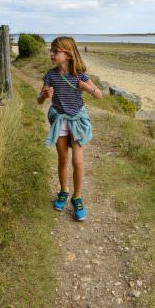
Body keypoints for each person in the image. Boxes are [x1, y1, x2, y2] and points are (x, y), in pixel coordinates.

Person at [37, 36, 103, 221]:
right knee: (63, 159)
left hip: (77, 120)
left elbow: (99, 95)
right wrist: (44, 95)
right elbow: (39, 100)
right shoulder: (50, 75)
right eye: (51, 50)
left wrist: (86, 88)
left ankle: (77, 197)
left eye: (55, 51)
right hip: (59, 120)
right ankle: (64, 191)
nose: (51, 54)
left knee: (78, 161)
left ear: (67, 53)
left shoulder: (80, 75)